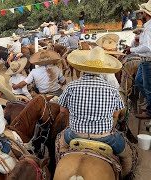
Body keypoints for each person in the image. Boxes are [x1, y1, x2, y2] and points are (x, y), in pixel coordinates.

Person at [56, 47, 135, 178]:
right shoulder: (112, 89)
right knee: (128, 156)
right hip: (106, 137)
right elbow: (116, 114)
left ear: (83, 67)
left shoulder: (71, 86)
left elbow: (63, 111)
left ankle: (57, 164)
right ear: (102, 69)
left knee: (59, 143)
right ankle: (125, 176)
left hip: (74, 134)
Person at [126, 0, 151, 119]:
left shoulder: (149, 28)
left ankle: (150, 110)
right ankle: (149, 103)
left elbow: (148, 47)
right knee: (139, 81)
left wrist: (131, 50)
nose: (140, 16)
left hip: (148, 60)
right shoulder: (147, 27)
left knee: (147, 85)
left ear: (146, 14)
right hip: (144, 60)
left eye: (142, 13)